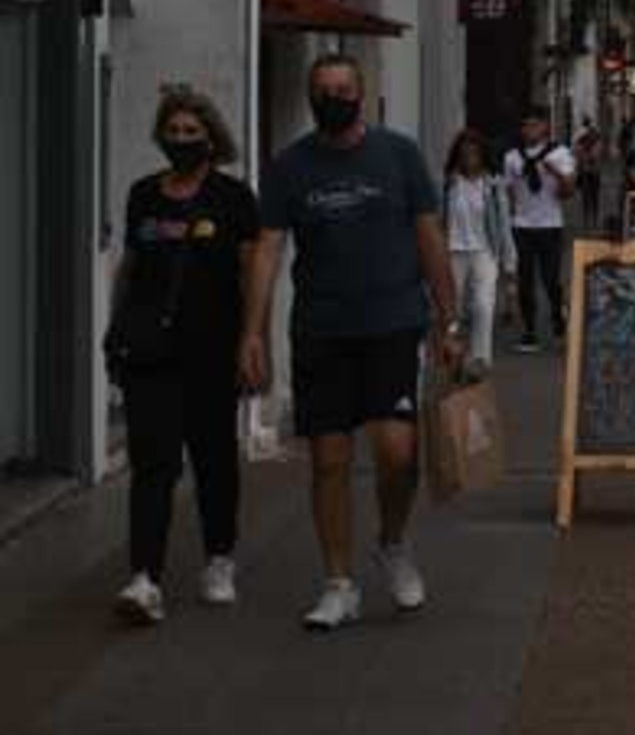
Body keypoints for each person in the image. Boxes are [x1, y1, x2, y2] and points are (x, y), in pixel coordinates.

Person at [241, 52, 460, 633]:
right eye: (323, 89)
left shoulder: (399, 155)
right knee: (329, 460)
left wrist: (451, 319)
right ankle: (338, 583)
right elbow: (266, 249)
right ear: (312, 99)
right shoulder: (290, 168)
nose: (334, 96)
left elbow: (429, 236)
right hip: (321, 330)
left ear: (361, 94)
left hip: (392, 323)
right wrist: (252, 332)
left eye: (343, 87)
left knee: (397, 452)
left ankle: (391, 541)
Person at [103, 86, 260, 627]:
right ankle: (144, 576)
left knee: (214, 457)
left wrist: (252, 340)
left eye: (191, 133)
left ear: (211, 138)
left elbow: (249, 274)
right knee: (153, 464)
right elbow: (129, 265)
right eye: (172, 133)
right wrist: (114, 328)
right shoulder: (144, 194)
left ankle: (219, 558)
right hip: (151, 350)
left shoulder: (233, 199)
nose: (181, 141)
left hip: (213, 349)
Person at [503, 106, 576, 350]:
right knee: (525, 280)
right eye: (526, 125)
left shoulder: (560, 153)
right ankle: (529, 331)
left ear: (545, 127)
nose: (530, 130)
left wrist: (555, 172)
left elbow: (568, 191)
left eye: (535, 125)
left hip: (550, 224)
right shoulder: (512, 157)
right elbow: (510, 191)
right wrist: (510, 220)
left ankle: (559, 321)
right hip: (522, 225)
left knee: (551, 279)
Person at [443, 128, 513, 376]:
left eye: (474, 152)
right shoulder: (449, 184)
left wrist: (509, 264)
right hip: (453, 251)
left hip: (485, 250)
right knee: (455, 309)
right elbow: (437, 219)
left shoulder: (493, 185)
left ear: (483, 155)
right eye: (465, 153)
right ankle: (453, 357)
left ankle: (479, 360)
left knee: (483, 304)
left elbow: (503, 224)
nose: (470, 157)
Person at [573, 119, 603, 230]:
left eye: (592, 135)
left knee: (594, 198)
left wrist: (586, 155)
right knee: (586, 198)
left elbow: (595, 157)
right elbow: (579, 156)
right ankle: (587, 221)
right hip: (586, 174)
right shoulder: (581, 144)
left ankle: (594, 220)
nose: (591, 137)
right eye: (589, 135)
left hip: (594, 173)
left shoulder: (597, 144)